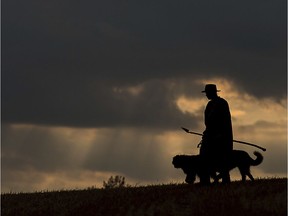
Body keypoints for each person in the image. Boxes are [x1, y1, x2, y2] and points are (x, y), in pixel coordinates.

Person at [200, 84, 233, 184]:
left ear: (212, 93)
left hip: (222, 138)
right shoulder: (209, 105)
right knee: (204, 158)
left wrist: (220, 134)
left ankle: (224, 182)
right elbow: (207, 122)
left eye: (207, 93)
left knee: (222, 161)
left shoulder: (222, 103)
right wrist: (207, 133)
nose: (206, 95)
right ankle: (205, 182)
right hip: (210, 136)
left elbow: (225, 121)